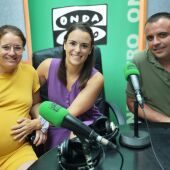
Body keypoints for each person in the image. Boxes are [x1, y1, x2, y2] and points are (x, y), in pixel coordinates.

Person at [37, 22, 104, 150]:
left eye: (84, 46)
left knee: (76, 140)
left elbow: (70, 115)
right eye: (73, 43)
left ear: (90, 50)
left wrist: (38, 124)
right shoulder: (46, 66)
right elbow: (33, 101)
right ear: (64, 44)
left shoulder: (96, 78)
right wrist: (40, 123)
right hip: (52, 126)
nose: (77, 50)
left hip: (83, 124)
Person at [0, 25, 47, 170]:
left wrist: (40, 123)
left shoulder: (29, 72)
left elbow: (35, 104)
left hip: (16, 153)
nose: (12, 53)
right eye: (6, 47)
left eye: (17, 48)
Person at [126, 12, 170, 122]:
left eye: (162, 35)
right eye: (150, 38)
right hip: (157, 129)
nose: (155, 42)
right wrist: (166, 122)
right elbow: (132, 103)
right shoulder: (139, 61)